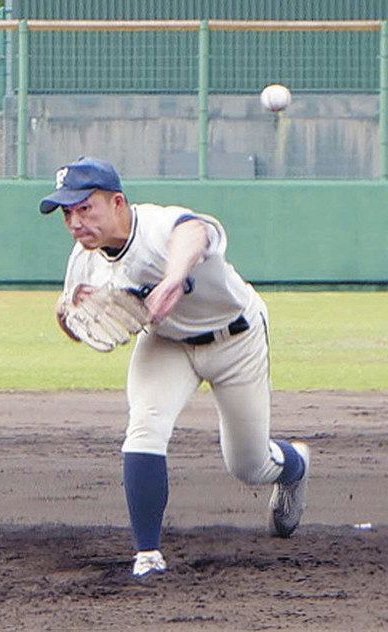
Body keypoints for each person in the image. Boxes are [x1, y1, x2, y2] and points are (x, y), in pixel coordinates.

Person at [41, 156, 311, 579]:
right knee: (144, 427)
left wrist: (171, 279)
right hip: (166, 344)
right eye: (67, 213)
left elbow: (196, 232)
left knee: (249, 465)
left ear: (117, 202)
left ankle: (294, 465)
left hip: (235, 339)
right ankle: (147, 553)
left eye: (84, 207)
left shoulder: (157, 225)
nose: (75, 221)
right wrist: (69, 315)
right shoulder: (83, 262)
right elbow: (77, 325)